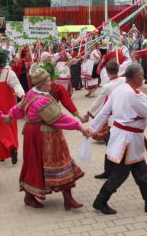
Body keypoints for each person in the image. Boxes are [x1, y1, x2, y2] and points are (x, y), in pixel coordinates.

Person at [89, 63, 147, 215]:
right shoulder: (133, 95)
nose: (144, 77)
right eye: (142, 75)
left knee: (141, 170)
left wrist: (92, 128)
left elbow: (104, 111)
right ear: (136, 78)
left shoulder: (121, 89)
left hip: (129, 139)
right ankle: (100, 201)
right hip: (127, 141)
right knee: (120, 174)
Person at [8, 67, 86, 210]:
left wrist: (9, 116)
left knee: (39, 163)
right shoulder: (41, 101)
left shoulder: (31, 93)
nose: (51, 82)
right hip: (44, 135)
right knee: (56, 162)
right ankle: (32, 197)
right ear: (41, 84)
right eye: (49, 80)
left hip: (35, 133)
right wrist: (80, 127)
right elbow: (58, 119)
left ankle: (65, 198)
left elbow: (19, 107)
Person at [84, 59, 125, 179]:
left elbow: (98, 101)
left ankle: (110, 171)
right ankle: (116, 169)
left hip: (113, 119)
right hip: (125, 116)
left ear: (107, 73)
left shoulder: (107, 86)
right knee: (119, 143)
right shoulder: (124, 80)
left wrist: (88, 114)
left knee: (111, 144)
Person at [0, 48, 25, 165]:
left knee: (0, 128)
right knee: (11, 126)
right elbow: (17, 86)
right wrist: (22, 96)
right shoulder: (10, 73)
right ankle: (3, 153)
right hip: (11, 106)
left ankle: (11, 148)